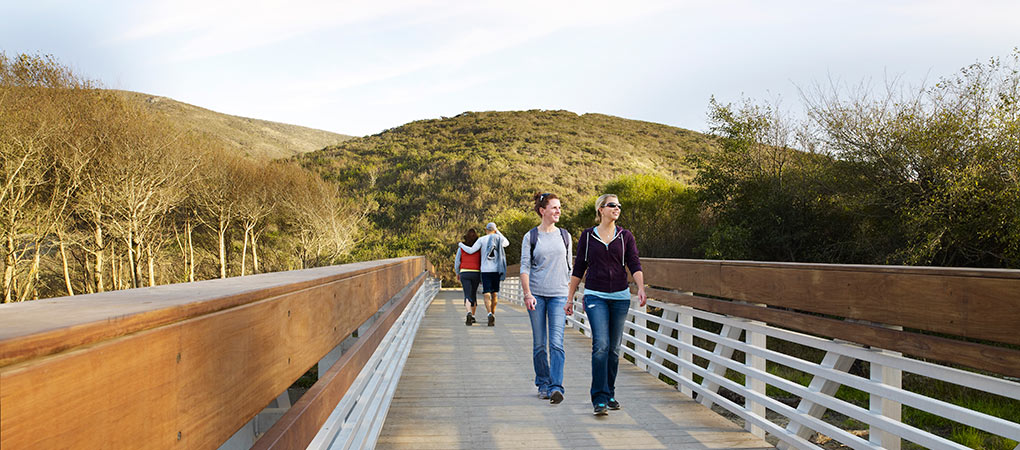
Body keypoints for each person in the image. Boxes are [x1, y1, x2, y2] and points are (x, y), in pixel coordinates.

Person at [566, 194, 646, 416]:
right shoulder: (588, 236)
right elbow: (579, 267)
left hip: (620, 297)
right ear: (601, 209)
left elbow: (634, 263)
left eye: (619, 205)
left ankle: (610, 393)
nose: (617, 208)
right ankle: (599, 398)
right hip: (595, 296)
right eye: (612, 205)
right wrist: (570, 297)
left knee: (613, 349)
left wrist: (640, 287)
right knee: (601, 345)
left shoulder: (625, 236)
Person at [520, 193, 572, 404]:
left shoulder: (565, 236)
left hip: (559, 295)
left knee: (557, 343)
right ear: (543, 211)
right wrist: (527, 294)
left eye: (559, 207)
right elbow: (524, 267)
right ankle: (543, 382)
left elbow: (570, 269)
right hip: (537, 295)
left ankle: (556, 387)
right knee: (540, 344)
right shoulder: (531, 236)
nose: (558, 211)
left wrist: (570, 297)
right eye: (554, 208)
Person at [458, 222, 509, 326]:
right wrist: (497, 231)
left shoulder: (482, 239)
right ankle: (492, 314)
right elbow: (507, 243)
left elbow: (471, 251)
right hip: (496, 270)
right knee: (494, 294)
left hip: (485, 270)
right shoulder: (499, 239)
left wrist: (460, 244)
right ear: (495, 230)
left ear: (486, 230)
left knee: (486, 293)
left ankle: (489, 313)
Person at [454, 229, 482, 326]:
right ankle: (473, 316)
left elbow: (457, 262)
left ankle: (468, 313)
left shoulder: (461, 248)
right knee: (473, 294)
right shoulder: (479, 248)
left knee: (467, 294)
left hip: (464, 272)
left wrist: (458, 272)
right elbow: (482, 262)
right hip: (476, 273)